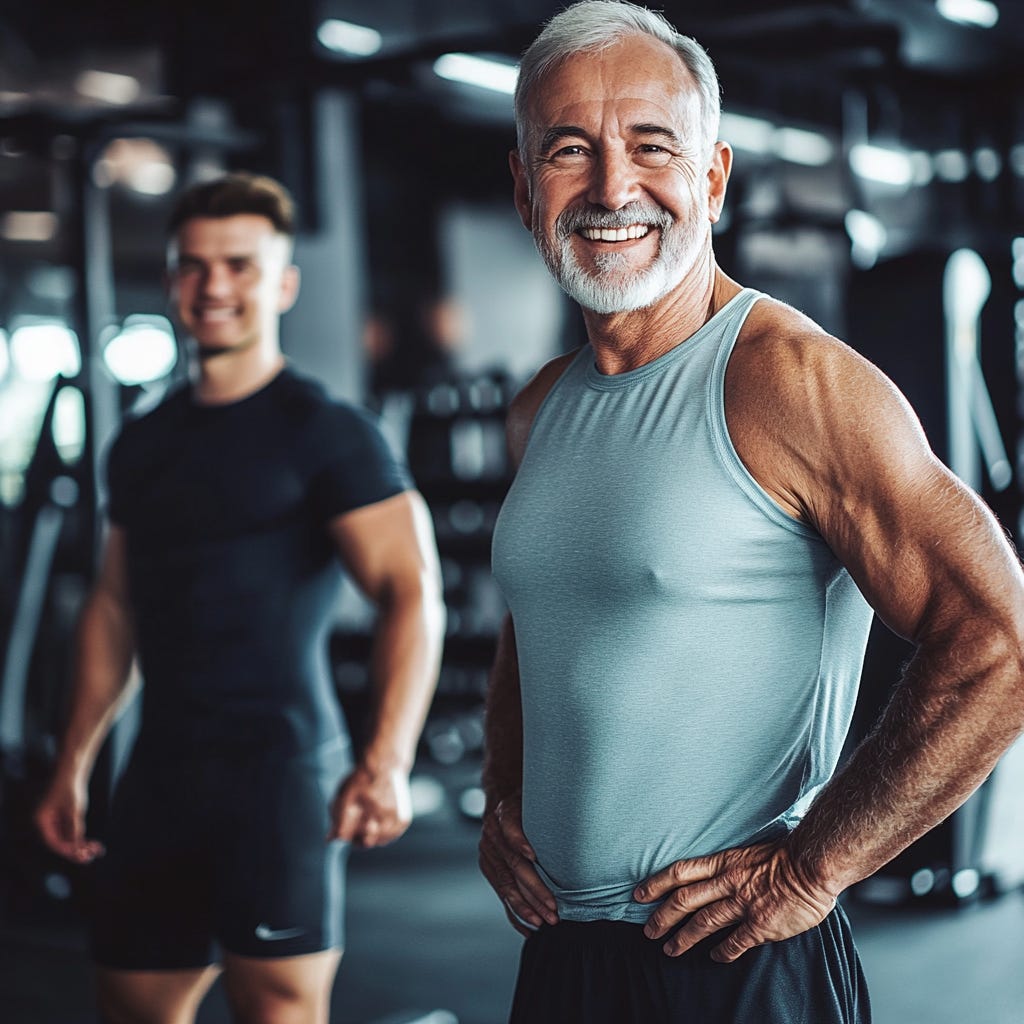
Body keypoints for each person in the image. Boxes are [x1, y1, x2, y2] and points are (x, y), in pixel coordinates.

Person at [478, 3, 1024, 1022]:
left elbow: (999, 637)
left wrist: (811, 868)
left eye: (651, 147)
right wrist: (500, 790)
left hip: (735, 960)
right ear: (522, 187)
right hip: (559, 959)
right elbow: (538, 615)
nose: (611, 188)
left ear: (714, 178)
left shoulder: (791, 383)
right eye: (567, 151)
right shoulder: (539, 410)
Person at [34, 172, 446, 1024]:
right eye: (193, 266)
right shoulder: (141, 444)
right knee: (132, 1004)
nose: (214, 286)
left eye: (239, 264)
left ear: (283, 282)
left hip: (279, 776)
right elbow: (114, 609)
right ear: (172, 281)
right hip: (159, 777)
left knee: (280, 1011)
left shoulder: (327, 433)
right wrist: (74, 759)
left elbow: (411, 591)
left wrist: (389, 760)